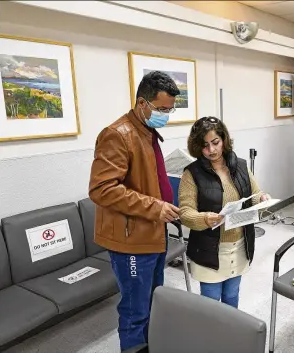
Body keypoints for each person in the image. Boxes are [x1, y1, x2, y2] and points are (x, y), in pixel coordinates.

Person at [88, 71, 181, 352]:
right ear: (143, 103)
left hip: (154, 232)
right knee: (135, 312)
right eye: (162, 109)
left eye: (170, 109)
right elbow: (101, 189)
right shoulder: (117, 135)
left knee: (154, 303)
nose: (167, 115)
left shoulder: (146, 131)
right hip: (132, 241)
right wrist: (155, 207)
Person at [179, 116, 269, 308]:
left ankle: (230, 336)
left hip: (238, 246)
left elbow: (254, 194)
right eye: (204, 145)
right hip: (210, 249)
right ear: (197, 147)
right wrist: (204, 218)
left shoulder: (242, 166)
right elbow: (185, 212)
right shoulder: (191, 173)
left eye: (215, 142)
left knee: (231, 296)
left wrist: (261, 199)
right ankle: (211, 338)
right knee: (211, 304)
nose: (211, 150)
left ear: (224, 140)